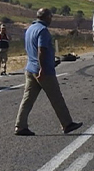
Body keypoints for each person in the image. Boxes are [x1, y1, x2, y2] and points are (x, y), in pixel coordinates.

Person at [14, 8, 81, 136]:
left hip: (30, 69)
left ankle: (20, 126)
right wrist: (43, 68)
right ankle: (67, 124)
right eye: (51, 17)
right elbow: (41, 50)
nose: (51, 19)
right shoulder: (43, 31)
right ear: (47, 17)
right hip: (43, 71)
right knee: (56, 98)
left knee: (27, 99)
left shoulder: (30, 29)